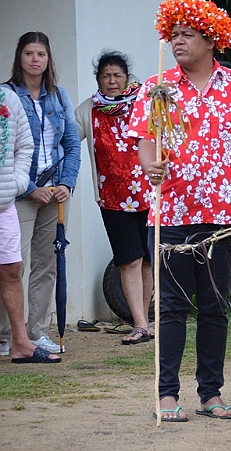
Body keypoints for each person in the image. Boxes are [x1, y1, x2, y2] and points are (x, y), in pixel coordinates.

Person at [127, 0, 231, 422]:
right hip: (172, 214)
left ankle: (210, 393)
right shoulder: (158, 87)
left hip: (225, 216)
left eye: (187, 34)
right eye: (173, 35)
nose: (177, 41)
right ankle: (166, 395)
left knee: (214, 304)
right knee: (171, 306)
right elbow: (144, 140)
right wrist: (149, 165)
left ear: (211, 40)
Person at [0, 32, 81, 354]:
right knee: (11, 264)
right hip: (19, 192)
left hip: (56, 191)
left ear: (49, 59)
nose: (35, 60)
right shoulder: (7, 96)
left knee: (47, 263)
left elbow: (72, 145)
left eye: (41, 54)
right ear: (19, 57)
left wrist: (66, 184)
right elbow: (10, 149)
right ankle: (7, 336)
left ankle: (37, 332)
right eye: (29, 53)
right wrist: (30, 188)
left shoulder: (59, 96)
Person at [76, 51, 152, 345]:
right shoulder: (89, 110)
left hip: (149, 195)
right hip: (112, 199)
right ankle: (139, 323)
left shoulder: (144, 104)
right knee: (128, 260)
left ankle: (146, 321)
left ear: (126, 78)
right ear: (98, 80)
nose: (111, 81)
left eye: (117, 75)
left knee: (147, 261)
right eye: (106, 76)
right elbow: (68, 139)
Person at [0, 85, 61, 363]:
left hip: (4, 203)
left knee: (12, 268)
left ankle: (21, 343)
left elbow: (25, 144)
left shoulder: (7, 98)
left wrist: (17, 182)